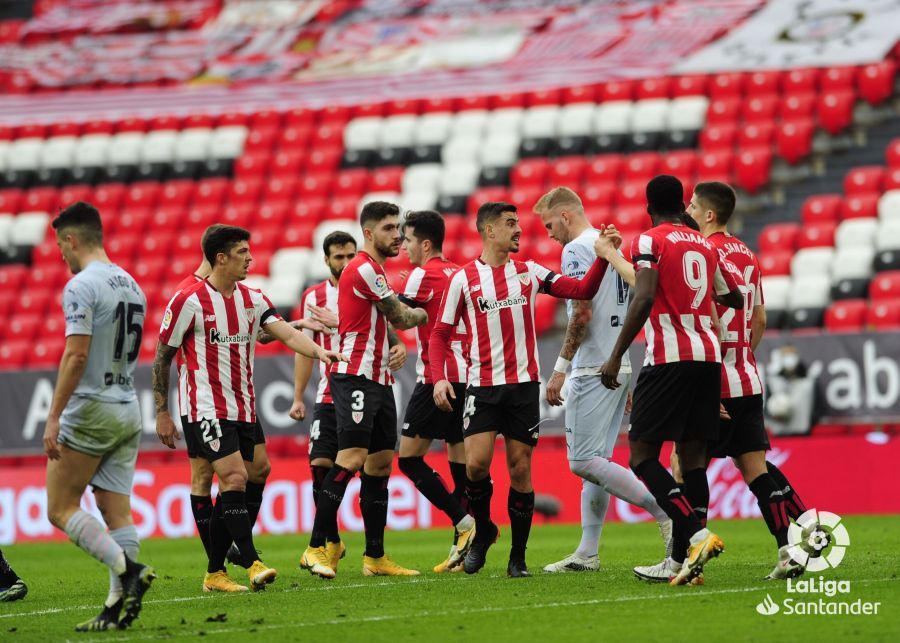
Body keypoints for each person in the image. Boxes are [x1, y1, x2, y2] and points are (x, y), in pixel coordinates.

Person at [153, 225, 345, 593]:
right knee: (234, 477)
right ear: (220, 258)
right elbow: (163, 357)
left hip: (243, 406)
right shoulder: (188, 301)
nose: (251, 258)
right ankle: (252, 560)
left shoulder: (253, 297)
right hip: (204, 407)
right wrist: (163, 411)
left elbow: (286, 333)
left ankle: (215, 571)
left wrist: (319, 350)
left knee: (258, 470)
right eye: (243, 252)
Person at [429, 201, 612, 578]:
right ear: (489, 230)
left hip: (523, 389)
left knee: (520, 471)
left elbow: (580, 288)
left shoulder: (529, 272)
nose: (518, 230)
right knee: (476, 466)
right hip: (482, 388)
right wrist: (439, 377)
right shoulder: (463, 279)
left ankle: (518, 558)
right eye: (510, 224)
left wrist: (603, 257)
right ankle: (484, 533)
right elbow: (440, 333)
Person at [597, 175, 744, 586]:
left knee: (642, 456)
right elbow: (733, 296)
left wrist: (615, 355)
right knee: (692, 459)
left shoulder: (649, 240)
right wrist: (692, 291)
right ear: (682, 204)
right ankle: (682, 563)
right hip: (708, 357)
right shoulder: (704, 244)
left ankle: (695, 537)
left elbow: (643, 296)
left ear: (648, 206)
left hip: (670, 357)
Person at [532, 187, 673, 573]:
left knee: (582, 460)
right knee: (599, 461)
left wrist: (560, 368)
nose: (548, 234)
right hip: (617, 365)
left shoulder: (577, 249)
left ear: (564, 216)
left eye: (548, 224)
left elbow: (581, 313)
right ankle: (587, 552)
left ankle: (668, 510)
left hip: (594, 367)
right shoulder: (610, 247)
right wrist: (623, 365)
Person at [676, 181, 811, 580]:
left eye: (694, 205)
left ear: (709, 215)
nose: (689, 208)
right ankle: (789, 550)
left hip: (715, 379)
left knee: (684, 466)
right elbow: (761, 319)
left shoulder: (702, 253)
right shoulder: (748, 255)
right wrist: (741, 357)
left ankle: (688, 560)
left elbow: (707, 321)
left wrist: (711, 377)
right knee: (755, 470)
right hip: (747, 376)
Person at [41, 202, 155, 631]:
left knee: (60, 507)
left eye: (60, 247)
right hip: (127, 403)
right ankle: (114, 608)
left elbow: (77, 353)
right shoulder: (132, 284)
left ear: (72, 240)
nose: (61, 256)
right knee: (115, 511)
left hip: (92, 406)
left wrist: (54, 417)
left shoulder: (81, 285)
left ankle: (129, 570)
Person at [299, 201, 428, 580]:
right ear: (369, 233)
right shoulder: (365, 269)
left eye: (399, 229)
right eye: (390, 228)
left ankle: (375, 557)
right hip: (354, 375)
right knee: (351, 457)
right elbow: (402, 317)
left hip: (379, 379)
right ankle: (315, 546)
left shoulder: (374, 273)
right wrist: (428, 310)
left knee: (380, 464)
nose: (399, 236)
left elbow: (387, 320)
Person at [395, 210, 476, 573]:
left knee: (409, 459)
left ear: (426, 244)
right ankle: (463, 550)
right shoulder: (458, 272)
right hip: (469, 375)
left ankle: (464, 522)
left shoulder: (421, 275)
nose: (404, 247)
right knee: (459, 462)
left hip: (437, 377)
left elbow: (395, 316)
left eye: (408, 240)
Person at [288, 230, 357, 571]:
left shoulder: (365, 287)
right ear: (326, 259)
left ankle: (361, 550)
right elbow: (304, 348)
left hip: (361, 392)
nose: (345, 263)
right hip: (327, 394)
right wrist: (298, 395)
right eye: (338, 257)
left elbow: (390, 333)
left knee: (366, 469)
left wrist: (398, 346)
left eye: (350, 256)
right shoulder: (314, 296)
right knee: (319, 467)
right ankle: (332, 540)